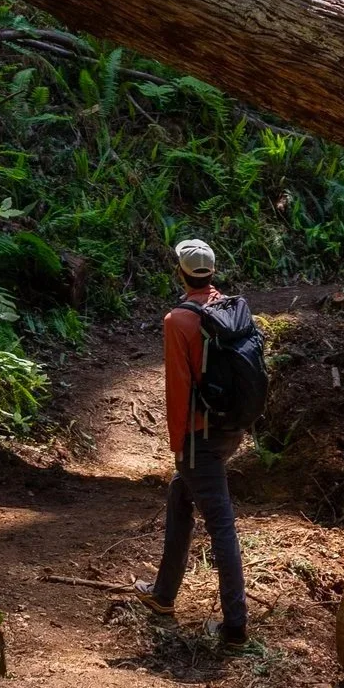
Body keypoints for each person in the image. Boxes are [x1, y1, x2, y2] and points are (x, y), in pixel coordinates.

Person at [139, 235, 248, 647]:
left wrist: (177, 444)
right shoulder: (229, 307)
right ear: (212, 273)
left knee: (221, 526)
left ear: (180, 273)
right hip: (230, 429)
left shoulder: (177, 321)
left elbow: (178, 388)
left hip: (198, 436)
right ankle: (163, 596)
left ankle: (235, 626)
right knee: (179, 497)